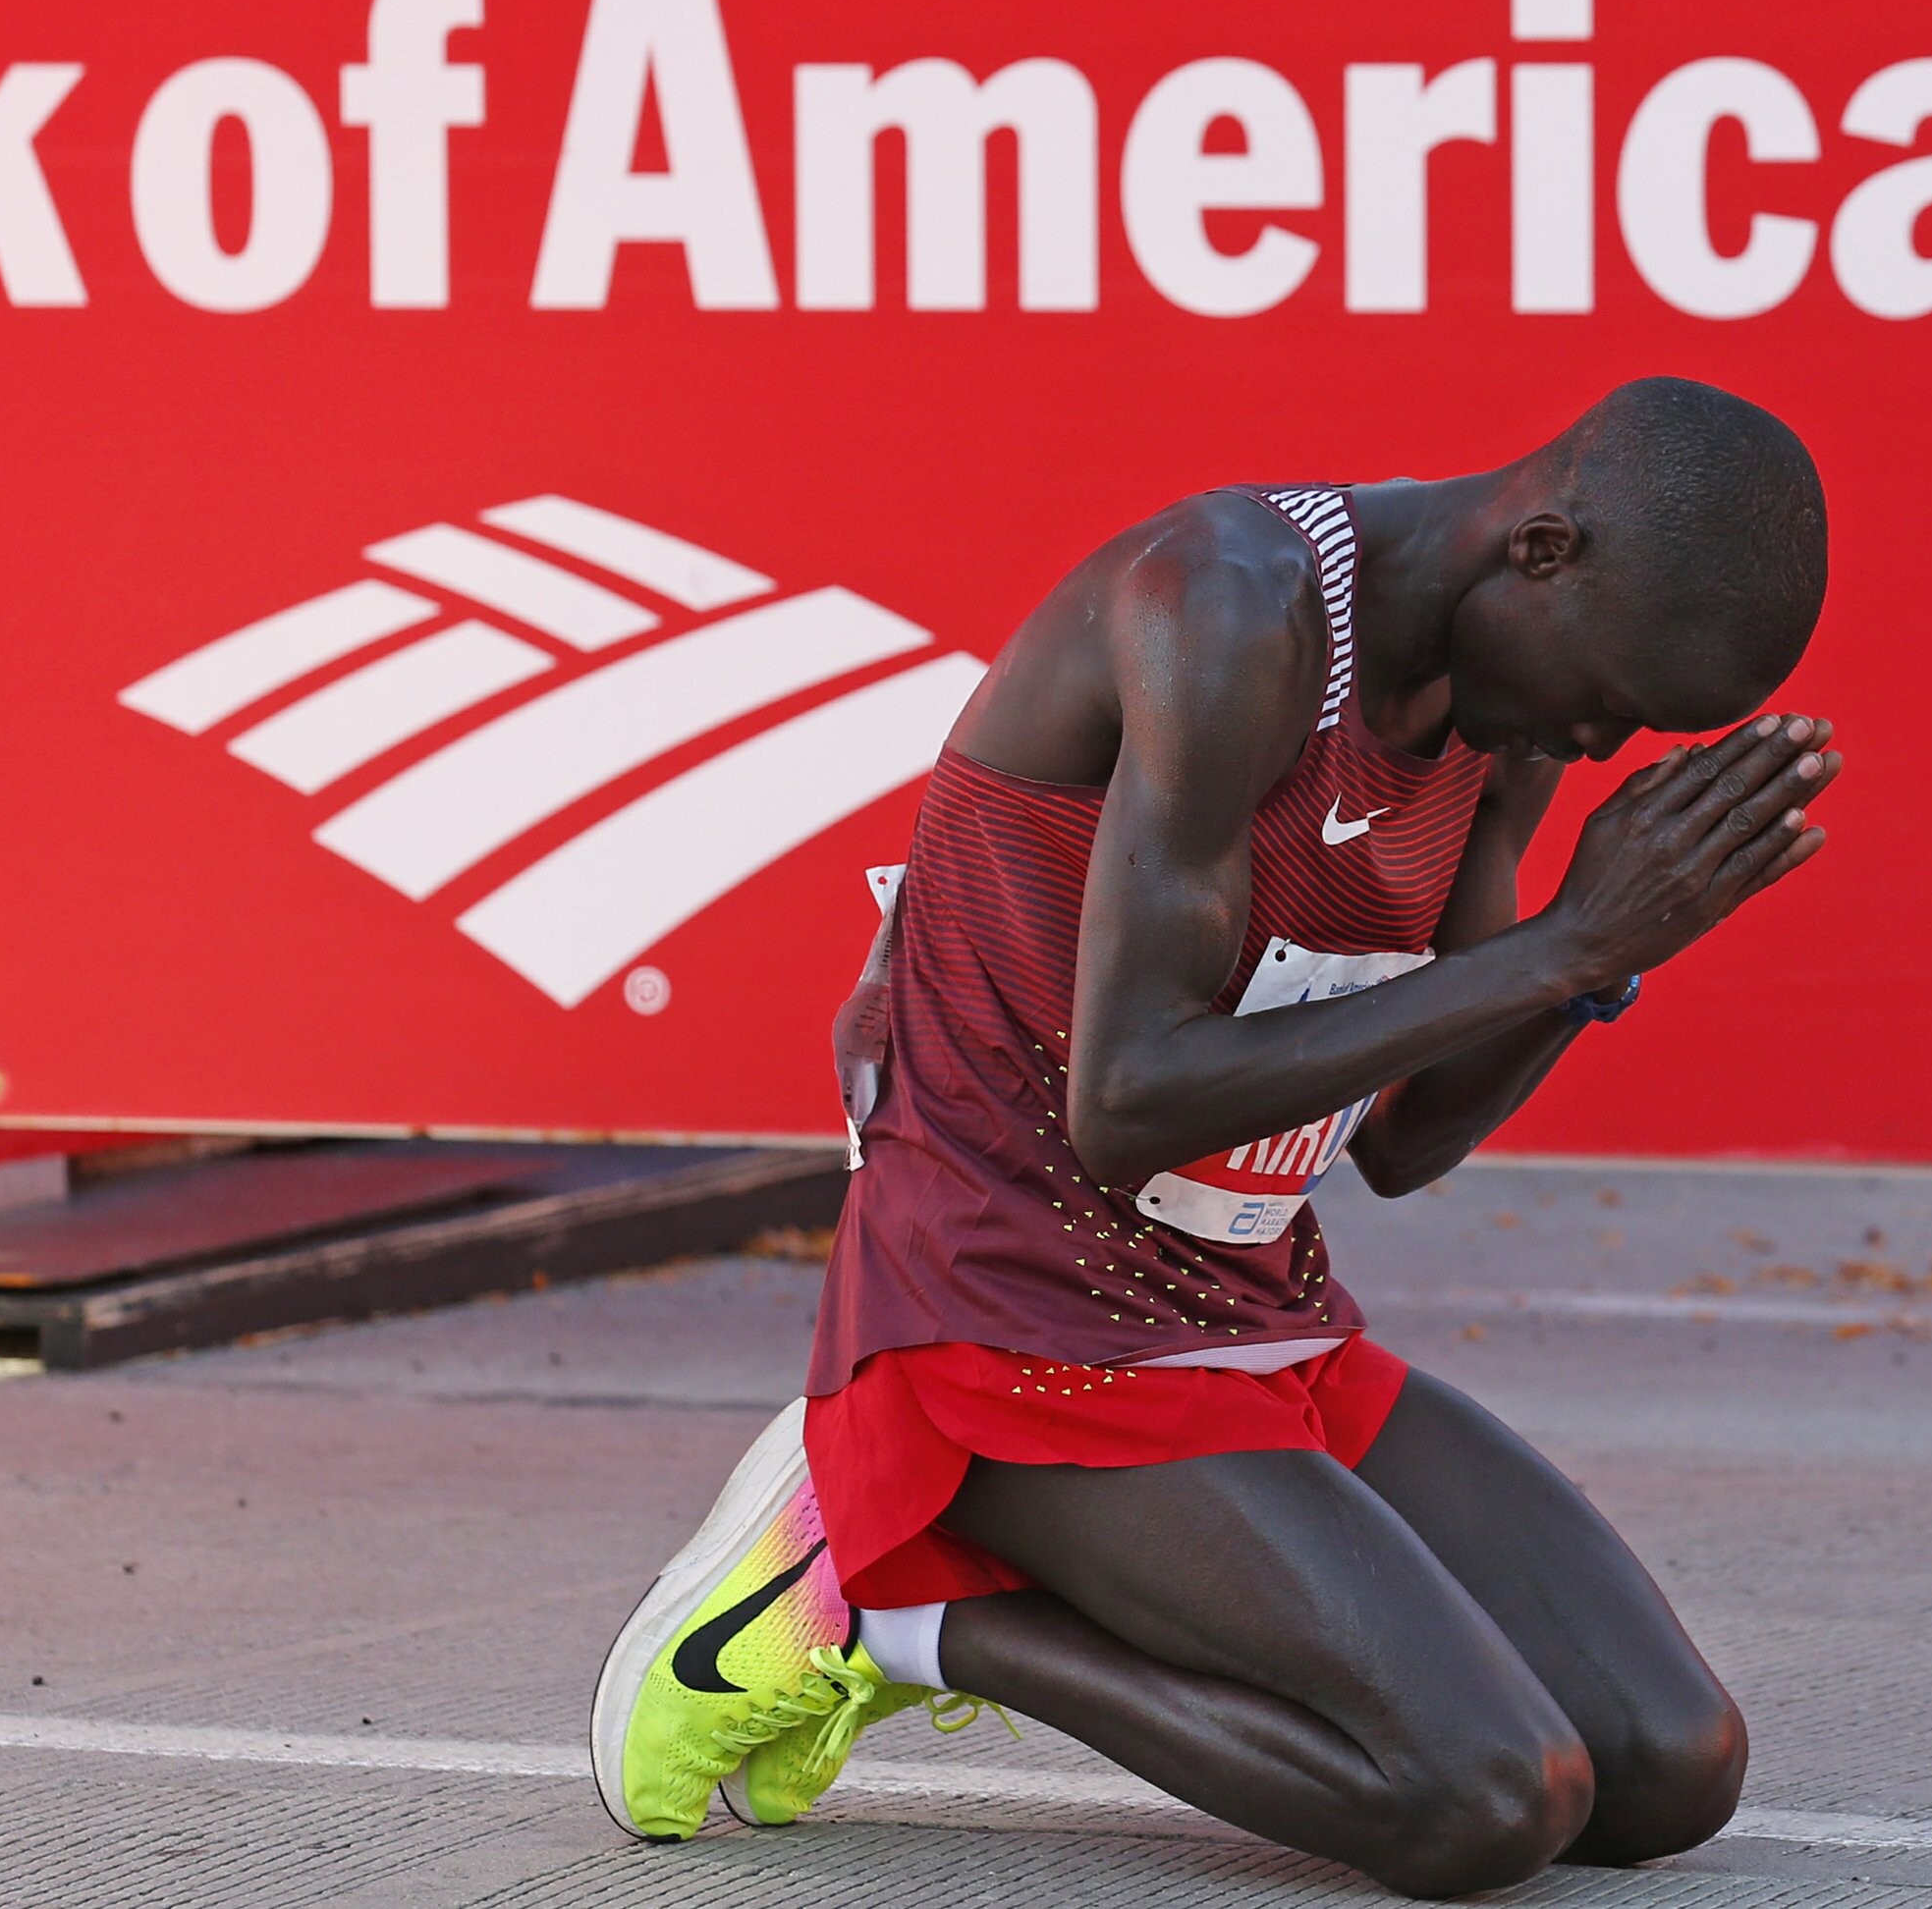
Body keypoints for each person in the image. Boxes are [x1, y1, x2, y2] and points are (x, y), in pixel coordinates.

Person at [589, 377, 1842, 1896]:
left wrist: (1607, 956)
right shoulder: (1231, 606)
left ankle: (951, 1580)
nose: (1602, 736)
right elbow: (1128, 1101)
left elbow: (1409, 1145)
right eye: (1611, 695)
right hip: (1006, 1318)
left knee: (1666, 1766)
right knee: (1486, 1799)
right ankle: (889, 1614)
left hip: (1252, 1315)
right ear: (1541, 549)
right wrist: (1560, 948)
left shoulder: (1503, 725)